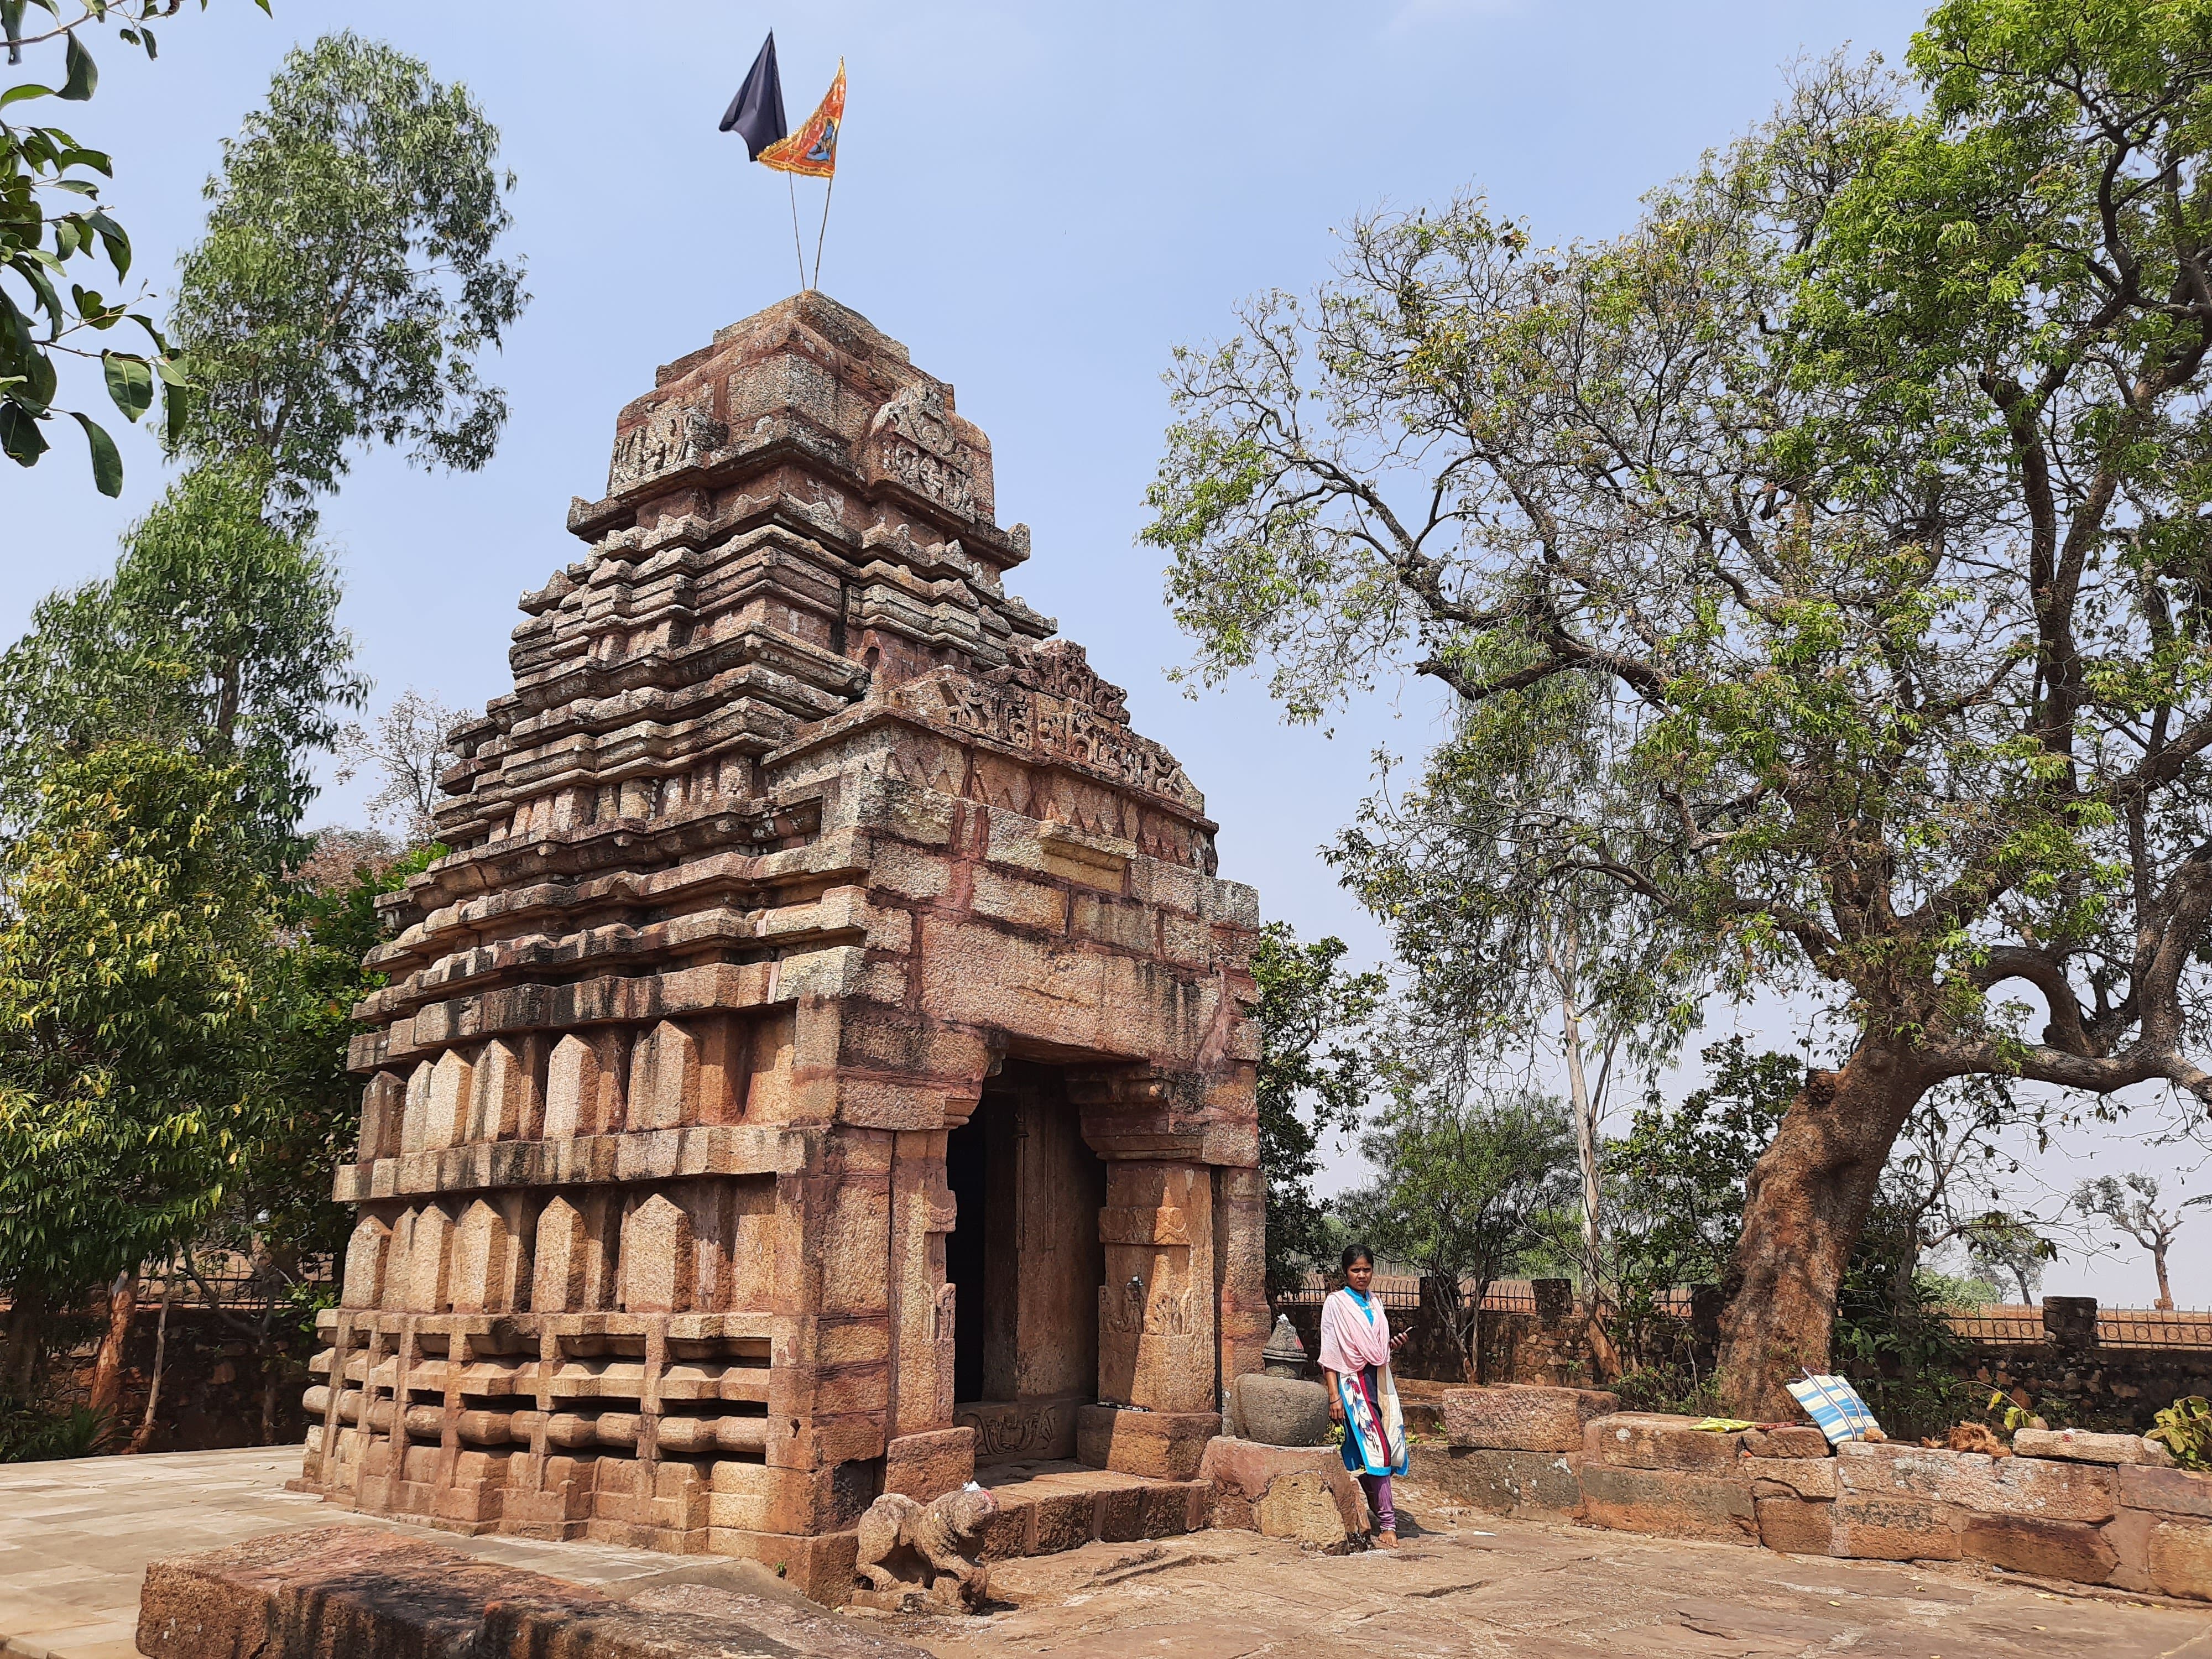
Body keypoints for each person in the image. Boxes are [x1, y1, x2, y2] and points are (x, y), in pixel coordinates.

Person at [1319, 1241, 1411, 1547]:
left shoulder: (1375, 1303)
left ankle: (1371, 1513)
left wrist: (1391, 1346)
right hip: (1351, 1385)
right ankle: (1388, 1524)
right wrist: (1334, 1397)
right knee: (1377, 1451)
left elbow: (1376, 1350)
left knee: (1378, 1450)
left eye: (1367, 1270)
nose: (1362, 1275)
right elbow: (1330, 1354)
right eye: (1356, 1270)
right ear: (1346, 1272)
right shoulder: (1335, 1304)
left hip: (1378, 1380)